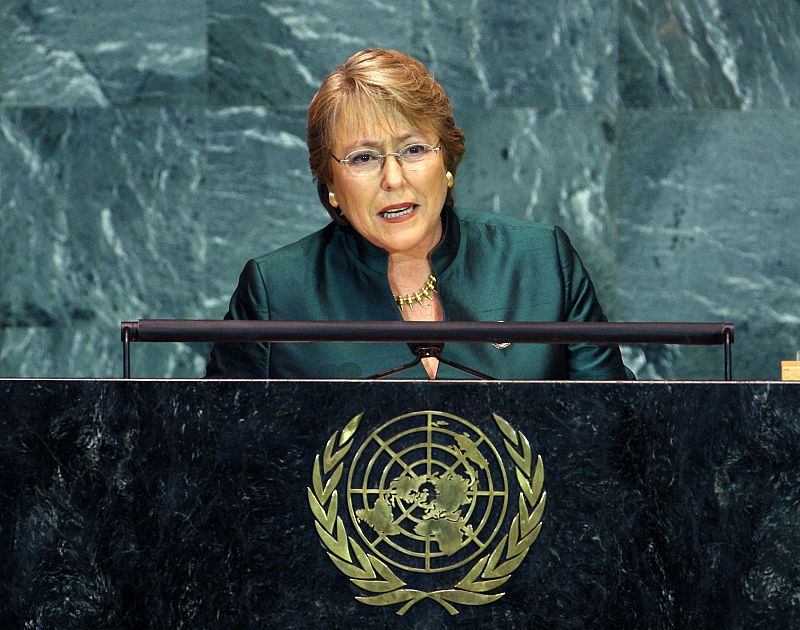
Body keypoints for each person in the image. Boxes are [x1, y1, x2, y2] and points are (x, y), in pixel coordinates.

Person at [206, 49, 630, 380]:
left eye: (412, 149)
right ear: (331, 183)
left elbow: (615, 431)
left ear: (446, 160)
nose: (393, 178)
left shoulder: (541, 262)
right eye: (363, 157)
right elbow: (218, 458)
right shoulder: (276, 292)